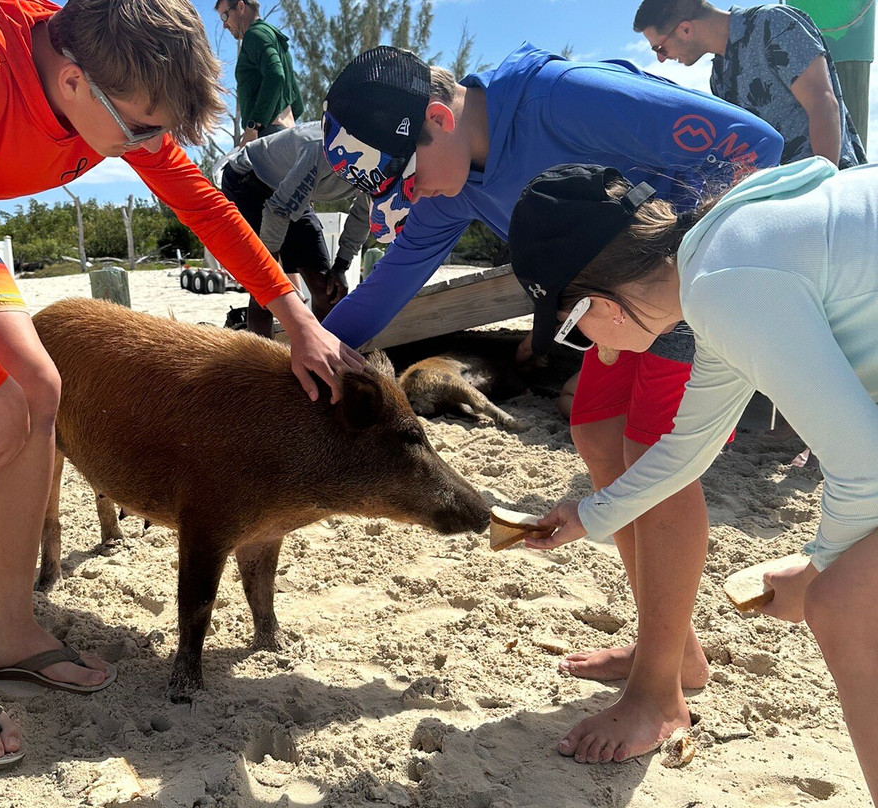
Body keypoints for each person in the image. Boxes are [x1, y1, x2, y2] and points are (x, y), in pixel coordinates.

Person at [0, 0, 359, 771]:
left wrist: (294, 314)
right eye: (139, 133)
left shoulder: (114, 81)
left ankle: (11, 633)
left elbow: (201, 201)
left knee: (39, 388)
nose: (148, 148)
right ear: (71, 81)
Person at [320, 44, 783, 763]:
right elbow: (394, 281)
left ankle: (661, 694)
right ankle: (676, 649)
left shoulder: (561, 95)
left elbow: (756, 145)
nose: (410, 203)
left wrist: (678, 273)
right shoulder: (452, 184)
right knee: (597, 433)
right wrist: (310, 349)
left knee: (655, 466)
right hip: (610, 308)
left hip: (679, 290)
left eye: (405, 185)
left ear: (438, 119)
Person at [514, 159, 878, 798]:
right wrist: (590, 514)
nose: (595, 350)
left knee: (842, 603)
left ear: (598, 305)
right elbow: (689, 445)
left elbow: (864, 469)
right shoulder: (719, 252)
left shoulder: (724, 283)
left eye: (574, 333)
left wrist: (821, 565)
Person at [634, 0, 867, 168]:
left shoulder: (773, 23)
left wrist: (821, 188)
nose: (661, 59)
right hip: (783, 206)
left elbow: (822, 103)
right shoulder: (718, 77)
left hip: (830, 196)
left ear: (685, 29)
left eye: (660, 48)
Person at [221, 121, 371, 336]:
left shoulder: (386, 166)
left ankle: (326, 360)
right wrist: (269, 262)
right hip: (249, 179)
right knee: (267, 285)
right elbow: (278, 210)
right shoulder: (322, 149)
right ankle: (259, 363)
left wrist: (341, 265)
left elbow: (363, 214)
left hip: (292, 188)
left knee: (326, 289)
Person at [214, 0, 304, 146]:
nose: (224, 25)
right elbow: (297, 103)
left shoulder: (254, 35)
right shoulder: (275, 37)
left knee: (228, 169)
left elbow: (275, 75)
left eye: (225, 17)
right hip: (288, 135)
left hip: (268, 136)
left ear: (241, 7)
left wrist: (254, 126)